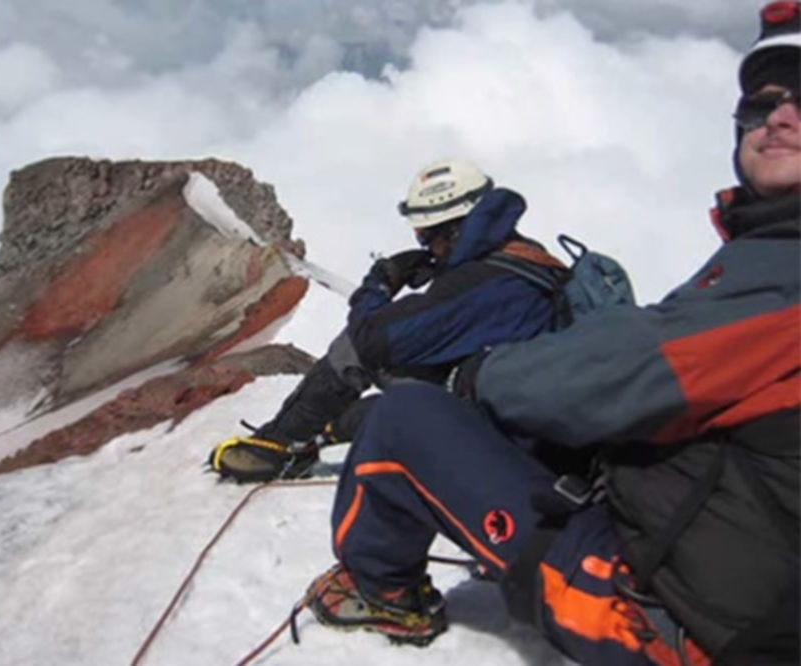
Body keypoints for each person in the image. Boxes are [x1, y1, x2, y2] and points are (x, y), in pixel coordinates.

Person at [305, 3, 800, 665]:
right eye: (760, 104)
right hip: (731, 575)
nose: (778, 117)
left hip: (683, 628)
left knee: (402, 418)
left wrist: (466, 374)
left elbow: (373, 343)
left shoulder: (783, 277)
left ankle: (384, 593)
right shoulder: (759, 257)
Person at [208, 158, 570, 482]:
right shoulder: (526, 258)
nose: (423, 242)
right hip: (533, 417)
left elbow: (372, 338)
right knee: (376, 407)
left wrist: (381, 282)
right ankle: (323, 432)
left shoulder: (477, 282)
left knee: (355, 350)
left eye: (425, 232)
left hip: (505, 438)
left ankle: (280, 447)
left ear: (454, 227)